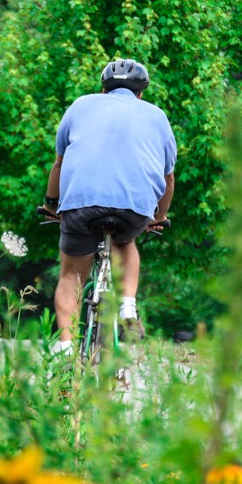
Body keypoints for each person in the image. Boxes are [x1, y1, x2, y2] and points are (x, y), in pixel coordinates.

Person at [42, 59, 176, 343]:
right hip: (135, 205)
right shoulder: (157, 116)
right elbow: (169, 180)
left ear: (103, 90)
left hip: (80, 202)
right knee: (125, 242)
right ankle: (127, 307)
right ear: (141, 93)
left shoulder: (79, 106)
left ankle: (65, 351)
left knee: (71, 276)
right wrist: (158, 217)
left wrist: (51, 204)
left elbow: (59, 165)